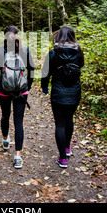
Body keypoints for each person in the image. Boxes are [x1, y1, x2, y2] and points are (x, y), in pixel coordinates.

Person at [0, 26, 35, 169]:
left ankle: (5, 140)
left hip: (4, 91)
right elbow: (32, 69)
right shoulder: (25, 50)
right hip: (21, 91)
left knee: (5, 115)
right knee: (18, 122)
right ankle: (17, 156)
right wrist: (27, 86)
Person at [41, 25, 84, 168]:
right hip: (74, 91)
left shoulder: (53, 53)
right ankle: (67, 148)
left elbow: (45, 72)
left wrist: (44, 87)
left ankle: (63, 158)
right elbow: (81, 66)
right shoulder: (79, 52)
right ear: (72, 36)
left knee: (60, 123)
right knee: (69, 119)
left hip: (58, 92)